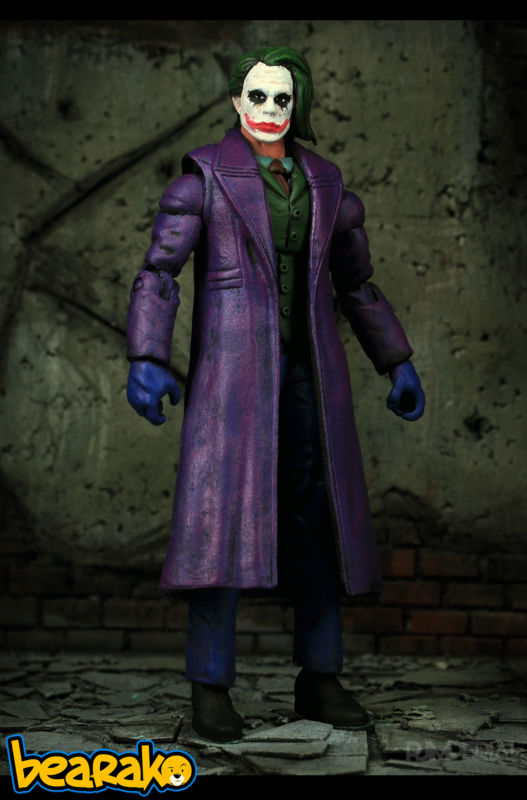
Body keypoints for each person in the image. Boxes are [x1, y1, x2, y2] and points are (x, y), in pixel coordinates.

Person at [126, 45, 425, 743]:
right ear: (236, 101)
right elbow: (159, 272)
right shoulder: (204, 177)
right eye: (256, 96)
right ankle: (210, 686)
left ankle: (320, 676)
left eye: (281, 98)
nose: (268, 110)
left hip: (310, 375)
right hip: (231, 377)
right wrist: (146, 354)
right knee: (218, 523)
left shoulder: (324, 183)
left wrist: (396, 359)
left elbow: (355, 284)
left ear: (299, 105)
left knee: (319, 521)